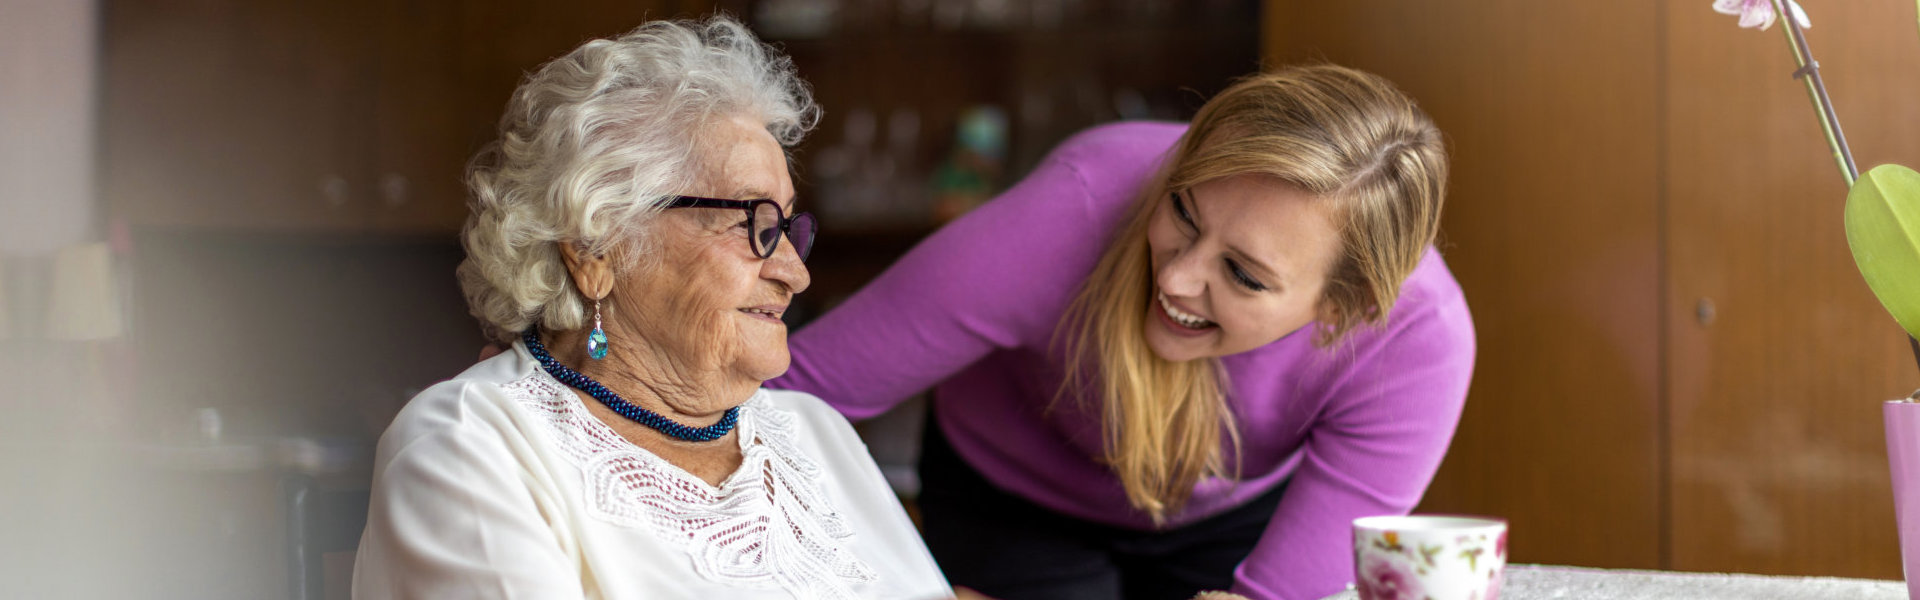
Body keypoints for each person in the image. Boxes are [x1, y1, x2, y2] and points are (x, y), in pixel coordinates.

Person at [769, 64, 1476, 600]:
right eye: (1184, 212)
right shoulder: (1077, 204)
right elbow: (789, 396)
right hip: (1012, 498)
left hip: (1228, 519)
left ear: (1340, 311)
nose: (1176, 279)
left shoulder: (1417, 344)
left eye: (1243, 275)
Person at [352, 17, 952, 599]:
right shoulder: (472, 448)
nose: (794, 273)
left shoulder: (810, 433)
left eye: (789, 227)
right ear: (595, 250)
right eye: (750, 222)